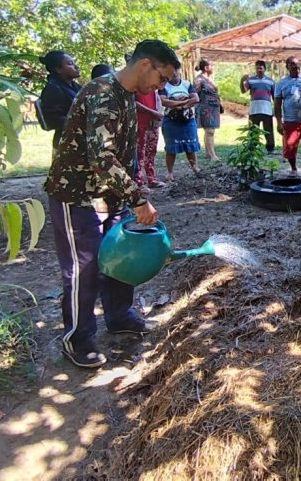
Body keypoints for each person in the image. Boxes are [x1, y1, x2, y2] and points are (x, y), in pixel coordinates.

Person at [44, 39, 180, 369]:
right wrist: (138, 199)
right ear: (146, 64)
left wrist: (129, 192)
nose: (161, 86)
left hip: (109, 195)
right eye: (162, 78)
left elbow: (124, 154)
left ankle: (120, 316)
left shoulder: (127, 95)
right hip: (77, 195)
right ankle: (77, 338)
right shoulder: (103, 92)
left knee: (120, 256)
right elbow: (101, 157)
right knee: (84, 267)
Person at [159, 71, 201, 182]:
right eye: (171, 72)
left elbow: (196, 99)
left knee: (191, 144)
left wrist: (182, 105)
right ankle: (170, 173)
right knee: (171, 148)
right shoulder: (164, 85)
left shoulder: (187, 84)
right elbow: (163, 101)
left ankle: (195, 168)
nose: (174, 74)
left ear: (179, 71)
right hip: (171, 120)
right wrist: (182, 102)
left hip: (187, 119)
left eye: (176, 71)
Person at [38, 50, 82, 148]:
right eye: (70, 64)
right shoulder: (53, 89)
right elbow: (52, 119)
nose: (76, 66)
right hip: (68, 142)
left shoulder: (74, 86)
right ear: (58, 69)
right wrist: (80, 121)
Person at [241, 60, 276, 153]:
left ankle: (270, 148)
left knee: (268, 130)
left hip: (267, 109)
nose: (259, 70)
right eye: (257, 68)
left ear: (265, 69)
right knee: (253, 130)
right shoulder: (251, 80)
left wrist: (275, 109)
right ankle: (252, 147)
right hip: (254, 109)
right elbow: (243, 91)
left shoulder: (270, 81)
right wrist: (242, 81)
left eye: (261, 68)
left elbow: (275, 96)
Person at [134, 88, 165, 192]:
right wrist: (153, 113)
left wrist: (157, 114)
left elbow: (158, 101)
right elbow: (134, 103)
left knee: (151, 151)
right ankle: (139, 182)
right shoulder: (136, 85)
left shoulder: (153, 85)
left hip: (153, 122)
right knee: (139, 153)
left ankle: (151, 179)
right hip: (140, 123)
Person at [195, 59, 224, 162]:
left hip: (214, 107)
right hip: (205, 107)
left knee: (210, 131)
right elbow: (195, 93)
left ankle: (208, 153)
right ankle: (212, 155)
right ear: (206, 68)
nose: (213, 67)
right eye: (212, 65)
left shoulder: (210, 79)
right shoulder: (199, 79)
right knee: (209, 130)